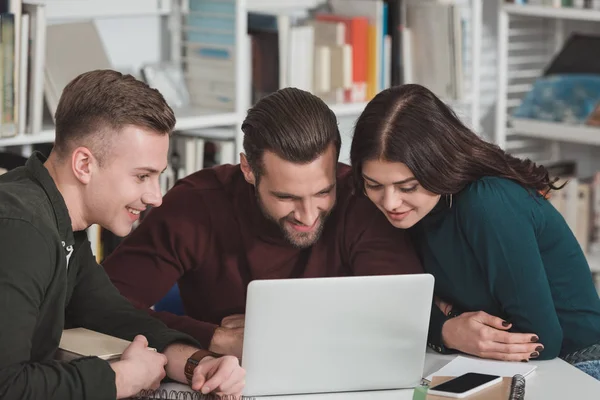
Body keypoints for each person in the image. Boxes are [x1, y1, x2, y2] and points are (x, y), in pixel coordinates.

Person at [103, 87, 423, 359]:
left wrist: (280, 327)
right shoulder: (196, 205)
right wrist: (218, 339)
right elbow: (104, 306)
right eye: (286, 197)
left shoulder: (361, 198)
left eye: (323, 192)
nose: (309, 215)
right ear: (249, 170)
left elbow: (400, 315)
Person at [0, 70, 245, 400]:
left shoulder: (60, 223)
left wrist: (197, 364)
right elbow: (7, 384)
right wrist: (118, 379)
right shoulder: (22, 229)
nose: (155, 197)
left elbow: (113, 315)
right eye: (142, 176)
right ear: (84, 164)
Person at [349, 84, 600, 379]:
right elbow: (393, 306)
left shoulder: (487, 203)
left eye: (408, 187)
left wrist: (446, 320)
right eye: (374, 185)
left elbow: (539, 342)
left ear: (439, 166)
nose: (389, 202)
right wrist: (447, 329)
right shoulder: (409, 210)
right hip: (494, 363)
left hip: (576, 363)